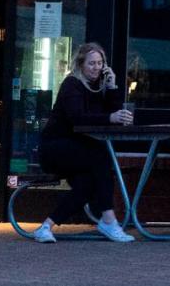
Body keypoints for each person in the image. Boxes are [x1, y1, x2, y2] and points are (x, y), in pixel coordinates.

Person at [33, 42, 135, 243]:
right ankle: (108, 220)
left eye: (100, 63)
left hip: (79, 151)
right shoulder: (72, 84)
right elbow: (78, 117)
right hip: (56, 147)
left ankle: (46, 227)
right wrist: (110, 118)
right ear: (81, 64)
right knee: (101, 157)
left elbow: (110, 112)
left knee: (87, 185)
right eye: (91, 63)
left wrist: (113, 87)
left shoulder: (98, 86)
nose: (96, 67)